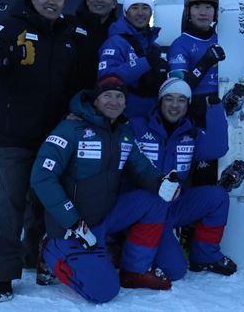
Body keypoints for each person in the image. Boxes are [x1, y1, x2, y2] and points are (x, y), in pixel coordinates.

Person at [0, 0, 77, 301]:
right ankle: (2, 274)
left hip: (52, 135)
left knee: (42, 202)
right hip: (14, 134)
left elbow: (74, 80)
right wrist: (5, 58)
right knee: (11, 202)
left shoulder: (67, 33)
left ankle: (33, 257)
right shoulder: (11, 26)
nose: (52, 1)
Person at [30, 75, 180, 304]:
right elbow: (42, 177)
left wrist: (162, 183)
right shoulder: (71, 129)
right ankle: (50, 251)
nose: (114, 101)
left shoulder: (124, 134)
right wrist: (72, 221)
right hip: (72, 227)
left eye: (120, 96)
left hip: (105, 219)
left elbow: (142, 169)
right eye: (107, 95)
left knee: (155, 201)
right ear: (95, 100)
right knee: (104, 291)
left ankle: (134, 269)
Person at [129, 77, 238, 280]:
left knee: (217, 196)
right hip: (144, 210)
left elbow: (217, 148)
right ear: (160, 101)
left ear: (188, 104)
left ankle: (205, 256)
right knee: (175, 270)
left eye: (181, 100)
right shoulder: (137, 127)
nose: (174, 105)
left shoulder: (190, 133)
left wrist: (214, 110)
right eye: (169, 99)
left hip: (173, 207)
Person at [98, 0, 169, 118]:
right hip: (124, 120)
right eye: (134, 8)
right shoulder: (115, 42)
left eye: (145, 7)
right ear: (126, 12)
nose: (140, 13)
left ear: (151, 12)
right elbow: (105, 78)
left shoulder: (154, 47)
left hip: (153, 119)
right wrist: (145, 62)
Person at [167, 0, 226, 124]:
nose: (203, 12)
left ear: (215, 12)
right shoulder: (180, 44)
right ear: (188, 12)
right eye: (197, 6)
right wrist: (205, 62)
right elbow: (179, 89)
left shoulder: (224, 39)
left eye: (208, 7)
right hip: (194, 114)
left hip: (225, 110)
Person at [70, 0, 118, 90]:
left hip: (104, 101)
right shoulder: (68, 24)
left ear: (114, 4)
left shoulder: (118, 34)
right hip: (66, 98)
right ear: (87, 0)